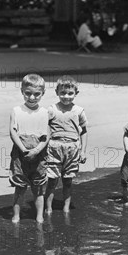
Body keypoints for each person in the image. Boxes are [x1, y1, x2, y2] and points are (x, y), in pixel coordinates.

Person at [9, 74, 51, 223]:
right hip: (20, 154)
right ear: (22, 91)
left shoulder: (45, 112)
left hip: (39, 154)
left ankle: (39, 215)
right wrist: (23, 149)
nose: (32, 97)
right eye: (28, 93)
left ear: (43, 93)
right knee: (19, 186)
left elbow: (46, 135)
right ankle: (16, 215)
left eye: (36, 94)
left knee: (38, 188)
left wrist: (37, 150)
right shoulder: (16, 110)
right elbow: (12, 131)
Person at [45, 76, 88, 215]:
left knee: (68, 180)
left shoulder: (79, 111)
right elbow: (45, 130)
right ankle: (48, 208)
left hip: (72, 148)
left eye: (70, 93)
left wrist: (83, 151)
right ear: (57, 92)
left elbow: (84, 131)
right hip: (54, 148)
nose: (66, 96)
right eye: (63, 93)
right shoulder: (51, 109)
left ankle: (66, 207)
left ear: (76, 93)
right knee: (52, 180)